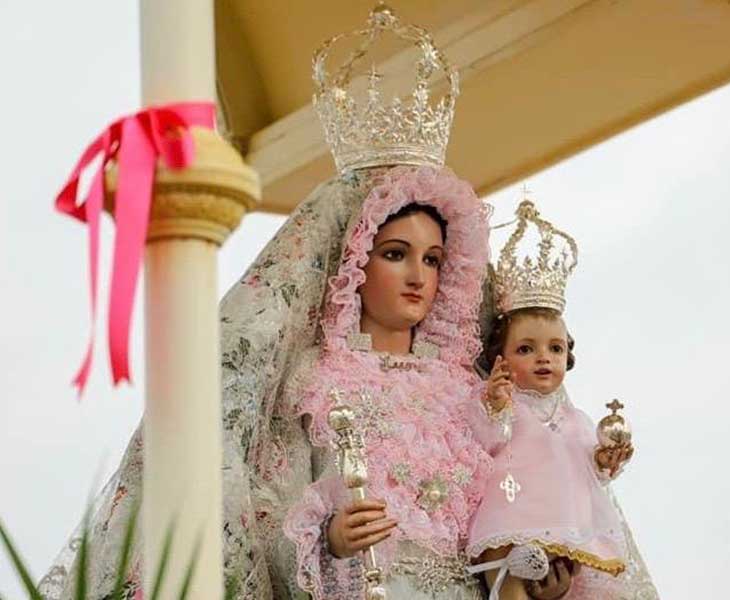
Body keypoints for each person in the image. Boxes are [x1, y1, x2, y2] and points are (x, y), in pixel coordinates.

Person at [37, 6, 579, 599]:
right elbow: (262, 516)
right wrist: (329, 536)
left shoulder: (474, 395)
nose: (418, 276)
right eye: (396, 253)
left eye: (433, 260)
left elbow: (511, 516)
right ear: (353, 262)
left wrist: (532, 577)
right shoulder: (314, 380)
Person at [465, 200, 660, 600]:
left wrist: (605, 461)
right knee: (508, 578)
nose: (543, 358)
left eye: (554, 349)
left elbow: (590, 467)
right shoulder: (505, 401)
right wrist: (494, 405)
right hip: (512, 508)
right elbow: (484, 441)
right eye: (526, 349)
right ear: (500, 357)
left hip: (565, 522)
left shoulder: (576, 417)